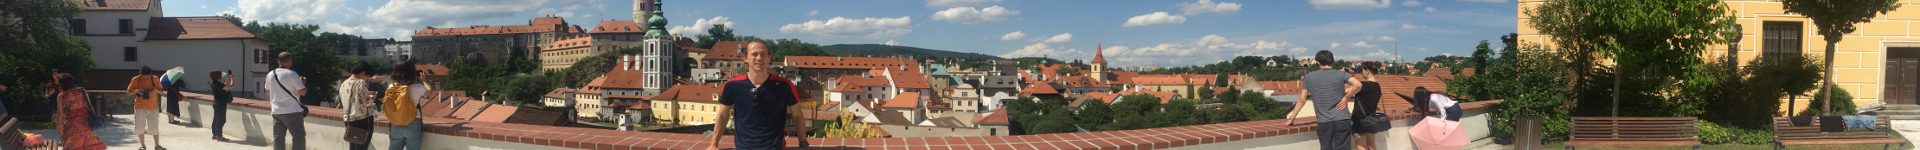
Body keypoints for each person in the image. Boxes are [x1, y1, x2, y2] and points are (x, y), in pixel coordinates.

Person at [705, 40, 809, 150]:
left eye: (763, 54)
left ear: (769, 57)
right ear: (745, 58)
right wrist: (713, 144)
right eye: (754, 54)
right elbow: (722, 115)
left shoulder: (784, 85)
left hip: (774, 147)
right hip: (743, 147)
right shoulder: (732, 85)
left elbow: (797, 115)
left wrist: (803, 142)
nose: (759, 58)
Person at [1285, 50, 1364, 150]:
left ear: (1317, 62)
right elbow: (1358, 85)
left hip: (1324, 121)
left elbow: (1302, 99)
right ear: (1332, 61)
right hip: (1342, 119)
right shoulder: (1341, 74)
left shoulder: (1310, 76)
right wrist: (1346, 98)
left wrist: (1292, 118)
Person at [383, 60, 430, 150]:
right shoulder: (418, 87)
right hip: (413, 122)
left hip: (396, 122)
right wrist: (424, 80)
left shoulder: (391, 87)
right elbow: (429, 92)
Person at [265, 52, 308, 150]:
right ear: (290, 61)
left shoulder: (270, 74)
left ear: (278, 61)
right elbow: (302, 92)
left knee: (278, 138)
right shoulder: (292, 74)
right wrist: (302, 84)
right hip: (292, 111)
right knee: (298, 137)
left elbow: (267, 92)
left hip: (276, 111)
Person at [54, 74, 107, 150]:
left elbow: (60, 112)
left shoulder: (62, 95)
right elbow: (89, 106)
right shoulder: (81, 91)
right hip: (84, 121)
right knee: (87, 142)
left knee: (72, 144)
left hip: (71, 124)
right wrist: (93, 117)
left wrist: (59, 125)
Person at [339, 62, 378, 150]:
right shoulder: (361, 82)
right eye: (368, 76)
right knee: (361, 147)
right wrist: (373, 97)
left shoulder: (344, 83)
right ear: (363, 73)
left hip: (349, 119)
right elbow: (367, 102)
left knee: (353, 146)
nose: (367, 79)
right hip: (362, 120)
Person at [127, 67, 166, 150]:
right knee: (139, 127)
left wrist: (155, 90)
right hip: (139, 106)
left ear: (151, 73)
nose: (145, 78)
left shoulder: (155, 78)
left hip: (153, 107)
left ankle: (157, 145)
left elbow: (162, 92)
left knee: (154, 127)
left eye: (147, 76)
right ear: (140, 73)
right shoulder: (135, 79)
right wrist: (136, 91)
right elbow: (128, 93)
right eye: (144, 76)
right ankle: (143, 146)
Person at [1350, 62, 1384, 150]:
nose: (1362, 73)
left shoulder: (1364, 85)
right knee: (1371, 145)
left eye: (1362, 71)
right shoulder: (1377, 86)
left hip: (1359, 119)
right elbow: (1358, 86)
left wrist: (1347, 77)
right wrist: (1352, 77)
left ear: (1367, 70)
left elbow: (1347, 91)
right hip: (1371, 119)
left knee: (1361, 146)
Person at [209, 70, 236, 141]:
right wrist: (232, 78)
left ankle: (215, 134)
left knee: (216, 119)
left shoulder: (214, 84)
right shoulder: (218, 84)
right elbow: (231, 86)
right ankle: (219, 136)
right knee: (221, 120)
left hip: (216, 103)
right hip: (221, 104)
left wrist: (228, 78)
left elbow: (223, 85)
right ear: (217, 76)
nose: (221, 76)